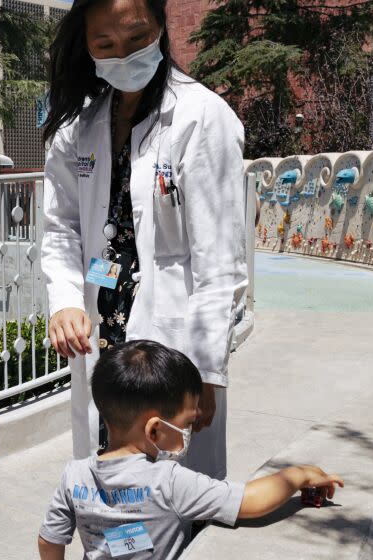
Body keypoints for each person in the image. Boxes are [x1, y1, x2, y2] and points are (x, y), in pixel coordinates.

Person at [41, 0, 248, 479]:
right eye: (105, 45)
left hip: (169, 349)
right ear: (87, 48)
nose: (123, 53)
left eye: (136, 38)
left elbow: (220, 263)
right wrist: (65, 300)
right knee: (104, 477)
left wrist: (206, 375)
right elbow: (60, 227)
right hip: (104, 340)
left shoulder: (200, 117)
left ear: (161, 26)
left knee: (168, 491)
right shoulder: (79, 129)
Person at [37, 340, 344, 560]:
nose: (191, 431)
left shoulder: (74, 475)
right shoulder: (168, 481)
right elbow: (250, 502)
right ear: (154, 430)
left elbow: (49, 541)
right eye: (187, 423)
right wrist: (299, 474)